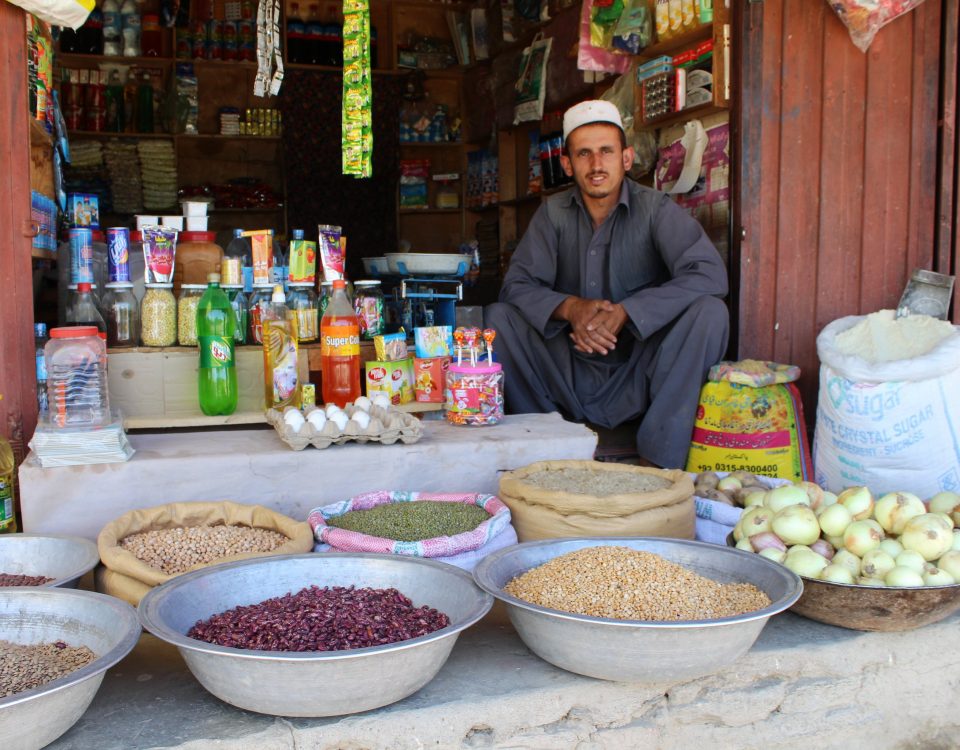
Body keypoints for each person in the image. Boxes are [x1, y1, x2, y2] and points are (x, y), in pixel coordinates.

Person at [485, 100, 729, 469]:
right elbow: (516, 286)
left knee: (710, 312)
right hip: (565, 369)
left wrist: (629, 312)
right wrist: (571, 309)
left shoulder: (656, 209)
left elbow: (710, 274)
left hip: (639, 368)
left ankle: (658, 462)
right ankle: (548, 450)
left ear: (626, 158)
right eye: (583, 154)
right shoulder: (552, 214)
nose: (596, 165)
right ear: (567, 164)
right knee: (499, 318)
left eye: (606, 152)